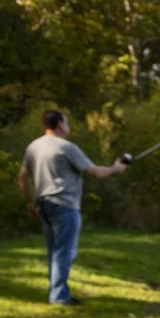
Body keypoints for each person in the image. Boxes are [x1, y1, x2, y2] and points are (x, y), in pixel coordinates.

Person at [18, 110, 127, 305]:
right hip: (64, 205)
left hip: (43, 204)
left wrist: (30, 202)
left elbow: (22, 177)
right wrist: (115, 168)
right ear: (60, 124)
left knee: (54, 250)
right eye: (66, 123)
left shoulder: (33, 147)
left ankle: (57, 291)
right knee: (65, 252)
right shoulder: (67, 148)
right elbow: (97, 172)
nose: (68, 127)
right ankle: (59, 296)